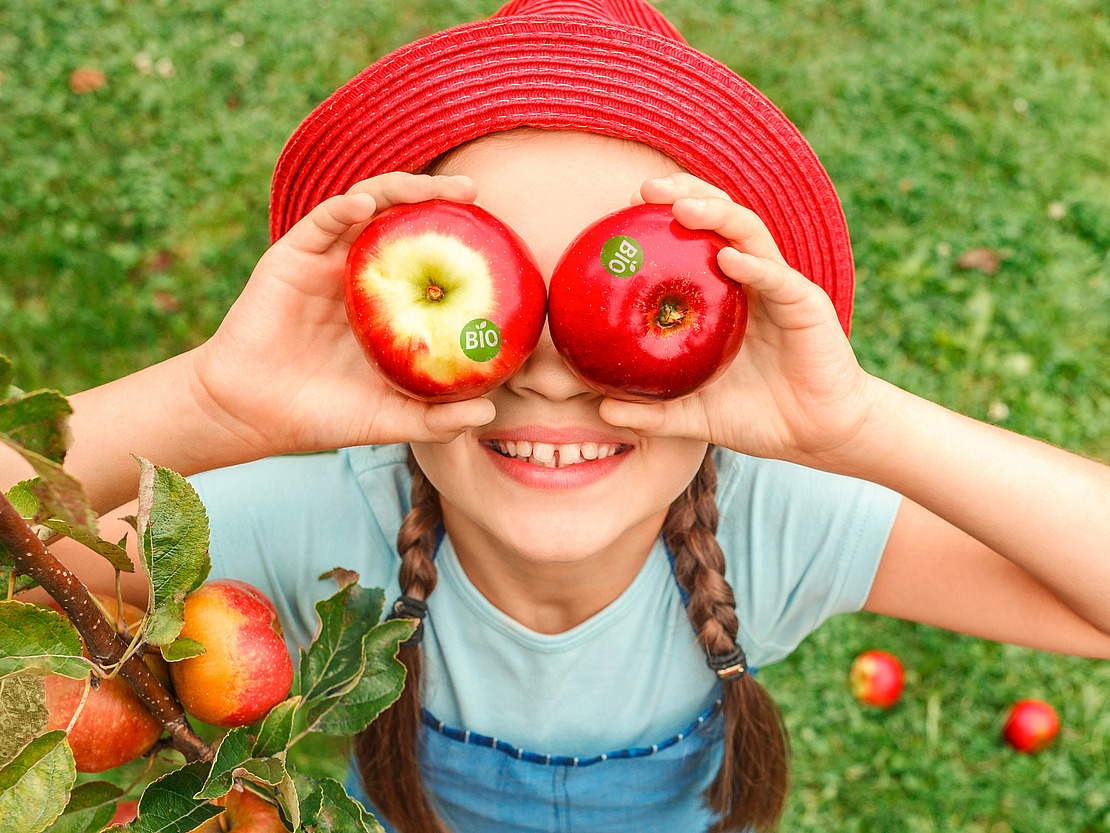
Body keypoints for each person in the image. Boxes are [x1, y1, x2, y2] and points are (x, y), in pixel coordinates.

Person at [4, 1, 1109, 831]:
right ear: (398, 326)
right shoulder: (324, 523)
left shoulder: (773, 524)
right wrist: (212, 400)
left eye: (597, 310)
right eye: (498, 310)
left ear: (721, 331)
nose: (547, 376)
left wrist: (859, 425)